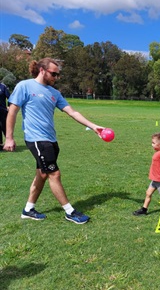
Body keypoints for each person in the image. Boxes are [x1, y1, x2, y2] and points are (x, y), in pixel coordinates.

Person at [3, 57, 106, 224]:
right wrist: (9, 138)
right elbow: (13, 111)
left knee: (42, 174)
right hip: (36, 139)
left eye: (58, 75)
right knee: (54, 173)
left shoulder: (55, 93)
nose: (56, 78)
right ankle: (70, 211)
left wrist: (94, 126)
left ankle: (28, 209)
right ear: (42, 70)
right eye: (54, 74)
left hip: (51, 139)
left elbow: (72, 112)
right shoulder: (25, 86)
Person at [0, 81, 10, 150]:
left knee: (4, 127)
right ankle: (0, 144)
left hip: (2, 111)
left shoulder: (3, 86)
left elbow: (10, 97)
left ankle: (9, 142)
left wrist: (9, 106)